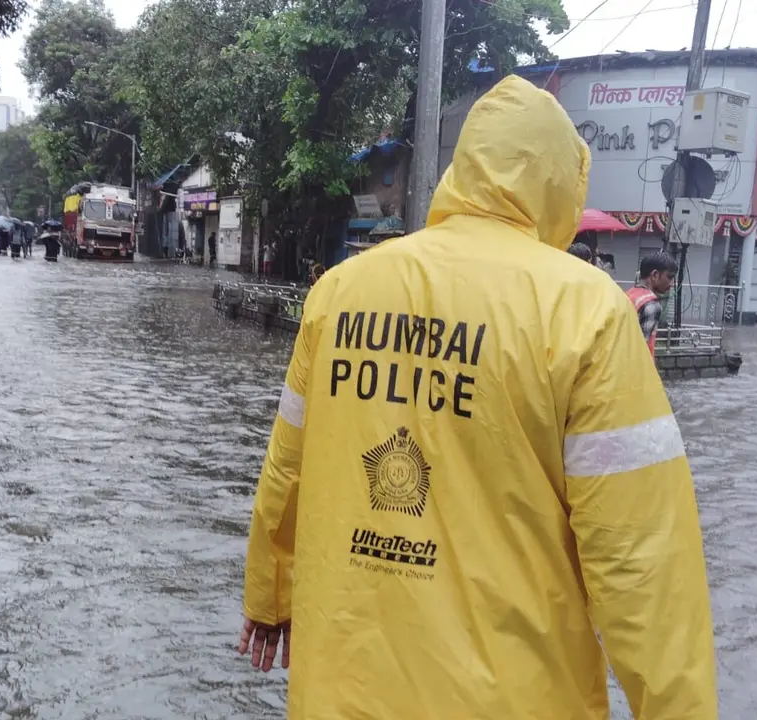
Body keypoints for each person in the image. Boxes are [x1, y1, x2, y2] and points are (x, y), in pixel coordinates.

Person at [238, 75, 716, 719]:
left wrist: (270, 599)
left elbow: (286, 472)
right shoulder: (584, 311)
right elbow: (644, 561)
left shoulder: (341, 292)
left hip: (341, 688)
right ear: (562, 184)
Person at [627, 251, 678, 356]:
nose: (672, 284)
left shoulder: (629, 294)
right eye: (669, 277)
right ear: (655, 275)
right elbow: (640, 348)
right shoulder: (651, 304)